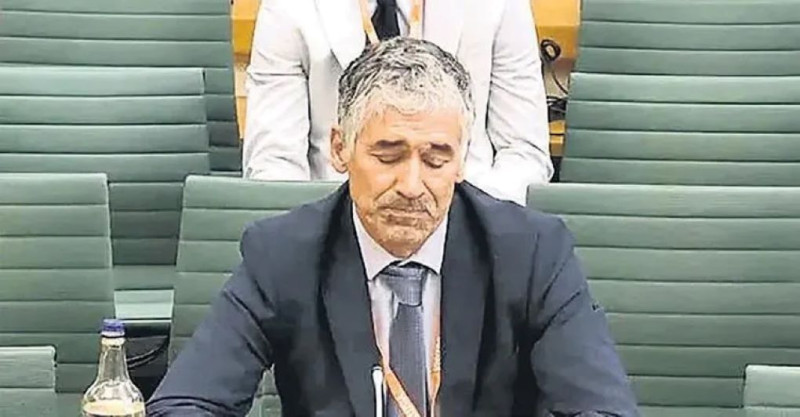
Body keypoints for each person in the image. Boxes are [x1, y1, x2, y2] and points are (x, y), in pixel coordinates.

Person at [148, 38, 638, 417]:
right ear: (340, 148)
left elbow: (602, 408)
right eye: (388, 155)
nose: (411, 185)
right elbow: (187, 403)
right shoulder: (281, 255)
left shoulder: (532, 254)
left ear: (462, 159)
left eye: (436, 158)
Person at [241, 0, 553, 205]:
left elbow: (524, 153)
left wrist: (475, 226)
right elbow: (274, 166)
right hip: (335, 224)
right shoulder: (288, 6)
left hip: (465, 214)